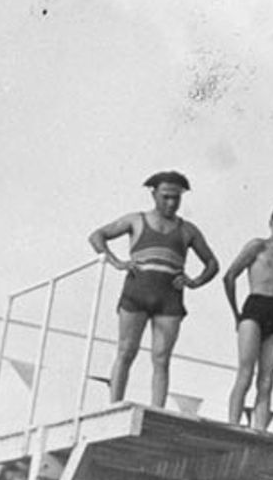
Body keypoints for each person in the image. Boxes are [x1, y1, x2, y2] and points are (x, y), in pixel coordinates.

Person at [88, 170, 220, 409]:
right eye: (165, 197)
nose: (171, 203)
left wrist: (194, 281)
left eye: (176, 198)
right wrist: (116, 261)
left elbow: (212, 264)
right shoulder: (136, 220)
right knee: (126, 351)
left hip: (169, 298)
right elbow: (97, 236)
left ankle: (157, 410)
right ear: (154, 194)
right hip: (136, 293)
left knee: (161, 358)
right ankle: (112, 406)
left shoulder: (188, 229)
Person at [221, 203, 273, 429]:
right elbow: (229, 277)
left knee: (267, 380)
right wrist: (236, 314)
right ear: (272, 222)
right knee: (245, 373)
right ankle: (232, 425)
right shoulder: (258, 246)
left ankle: (260, 429)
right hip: (254, 308)